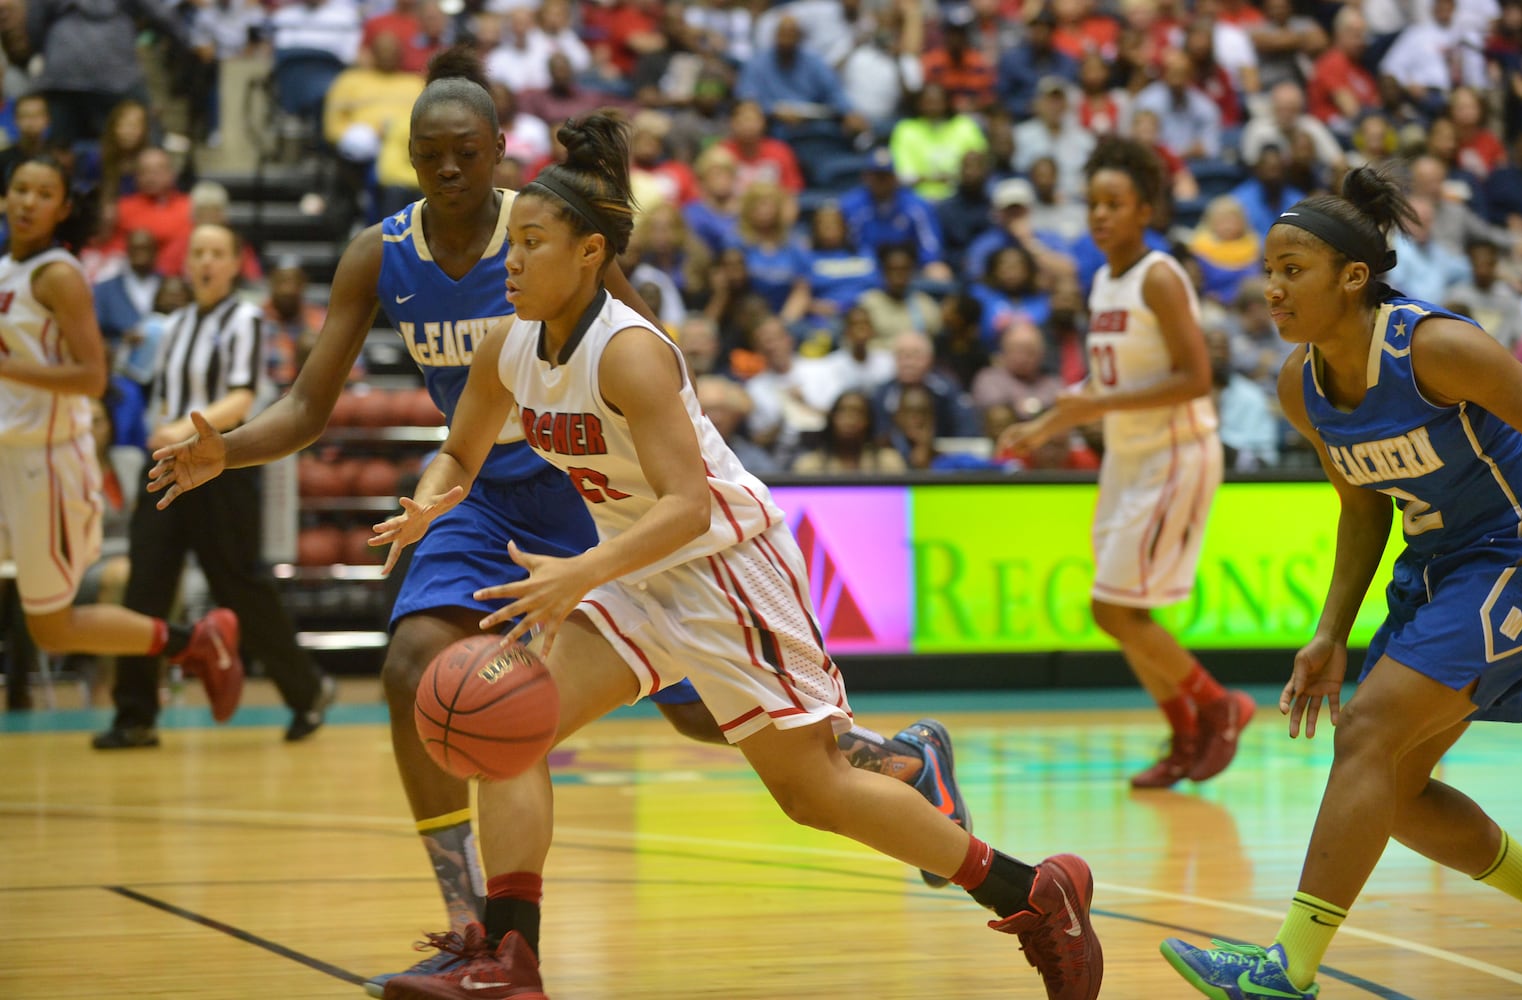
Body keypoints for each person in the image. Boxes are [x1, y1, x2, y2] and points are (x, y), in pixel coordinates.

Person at [145, 49, 972, 996]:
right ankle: (479, 929)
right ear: (409, 161)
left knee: (716, 718)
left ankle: (904, 764)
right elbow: (307, 406)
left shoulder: (548, 223)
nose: (449, 169)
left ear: (501, 152)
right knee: (421, 668)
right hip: (476, 490)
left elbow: (644, 352)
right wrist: (230, 448)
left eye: (466, 151)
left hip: (593, 490)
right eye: (429, 154)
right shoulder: (382, 253)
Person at [365, 109, 1102, 1000]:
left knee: (812, 792)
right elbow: (462, 447)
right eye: (507, 246)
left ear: (589, 253)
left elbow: (688, 507)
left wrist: (577, 575)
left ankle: (1035, 894)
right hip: (631, 570)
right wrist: (430, 499)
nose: (508, 262)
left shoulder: (631, 354)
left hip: (724, 569)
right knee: (509, 730)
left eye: (529, 243)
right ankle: (509, 958)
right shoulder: (507, 349)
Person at [1162, 165, 1522, 999]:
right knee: (1394, 793)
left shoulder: (1435, 347)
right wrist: (1328, 630)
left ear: (1352, 277)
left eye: (1292, 270)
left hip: (1515, 551)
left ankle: (1285, 970)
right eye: (1267, 271)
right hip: (1436, 568)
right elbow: (1362, 511)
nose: (1271, 287)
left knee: (1363, 731)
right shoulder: (1300, 384)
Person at [1002, 136, 1255, 789]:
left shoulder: (1160, 275)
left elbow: (1196, 377)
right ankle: (1185, 733)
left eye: (1114, 202)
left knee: (1115, 612)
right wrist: (1044, 424)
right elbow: (1100, 380)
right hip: (1127, 456)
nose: (1100, 214)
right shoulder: (1102, 280)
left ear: (1145, 208)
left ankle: (1217, 705)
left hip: (1175, 452)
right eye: (1092, 203)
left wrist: (1094, 405)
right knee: (1118, 611)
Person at [0, 153, 240, 743]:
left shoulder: (57, 273)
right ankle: (192, 640)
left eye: (43, 192)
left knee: (52, 630)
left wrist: (10, 369)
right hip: (11, 457)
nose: (28, 201)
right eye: (19, 189)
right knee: (51, 629)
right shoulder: (7, 267)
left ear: (63, 208)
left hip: (48, 463)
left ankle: (193, 640)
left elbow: (92, 376)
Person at [98, 221, 332, 749]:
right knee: (145, 587)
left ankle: (307, 692)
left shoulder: (246, 317)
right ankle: (134, 715)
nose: (205, 261)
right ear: (188, 263)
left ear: (234, 263)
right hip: (166, 469)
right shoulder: (173, 324)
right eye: (198, 252)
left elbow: (242, 398)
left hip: (219, 470)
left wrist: (183, 429)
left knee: (240, 586)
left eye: (216, 253)